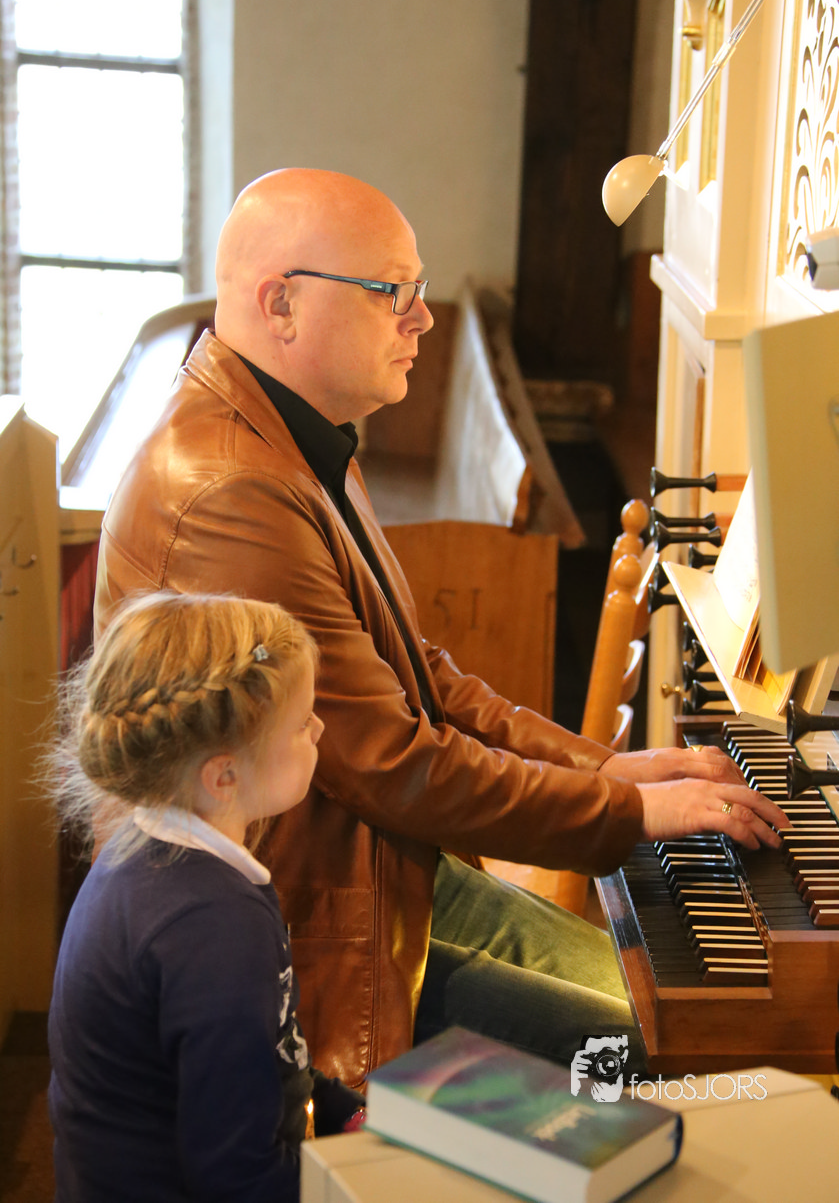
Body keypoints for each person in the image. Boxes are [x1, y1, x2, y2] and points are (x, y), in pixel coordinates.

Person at [93, 168, 787, 1088]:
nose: (421, 318)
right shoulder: (231, 493)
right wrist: (627, 813)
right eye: (392, 292)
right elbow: (389, 761)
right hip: (303, 931)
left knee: (670, 1007)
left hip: (377, 869)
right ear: (281, 304)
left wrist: (603, 771)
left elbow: (417, 674)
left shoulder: (295, 432)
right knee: (659, 1054)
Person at [47, 591, 364, 1203]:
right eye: (302, 723)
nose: (319, 729)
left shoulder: (139, 852)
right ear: (224, 776)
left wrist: (348, 1114)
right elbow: (236, 1176)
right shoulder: (214, 926)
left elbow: (273, 1056)